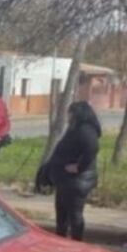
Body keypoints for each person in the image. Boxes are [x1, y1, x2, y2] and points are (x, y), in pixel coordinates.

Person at [45, 101, 101, 241]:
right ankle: (61, 239)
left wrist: (79, 167)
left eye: (70, 113)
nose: (68, 116)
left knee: (74, 214)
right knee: (62, 213)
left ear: (77, 114)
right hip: (66, 180)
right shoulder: (76, 128)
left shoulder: (86, 130)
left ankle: (76, 242)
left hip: (76, 181)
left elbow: (91, 149)